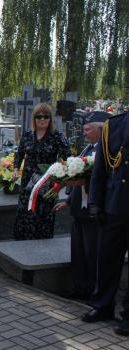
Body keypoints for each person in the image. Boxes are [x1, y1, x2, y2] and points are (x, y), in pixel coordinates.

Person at [82, 110, 129, 335]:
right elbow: (100, 169)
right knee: (107, 258)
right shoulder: (114, 125)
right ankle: (103, 305)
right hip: (115, 204)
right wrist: (95, 202)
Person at [54, 112, 108, 300]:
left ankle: (93, 291)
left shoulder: (106, 151)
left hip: (93, 212)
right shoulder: (88, 148)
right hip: (79, 211)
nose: (84, 132)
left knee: (92, 253)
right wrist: (68, 201)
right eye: (84, 129)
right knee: (78, 253)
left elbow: (103, 181)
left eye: (88, 129)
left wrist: (83, 182)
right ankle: (80, 287)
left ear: (101, 129)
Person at [13, 103, 70, 240]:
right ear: (34, 119)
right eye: (39, 117)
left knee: (43, 216)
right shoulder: (27, 135)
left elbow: (66, 160)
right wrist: (15, 168)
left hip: (47, 184)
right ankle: (22, 247)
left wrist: (59, 180)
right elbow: (19, 154)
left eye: (46, 117)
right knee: (25, 213)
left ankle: (41, 251)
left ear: (50, 119)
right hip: (28, 182)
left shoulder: (57, 137)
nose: (42, 119)